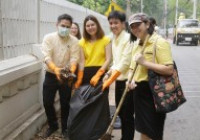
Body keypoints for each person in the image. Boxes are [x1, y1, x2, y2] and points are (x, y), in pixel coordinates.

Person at [128, 13, 174, 140]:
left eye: (138, 25)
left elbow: (169, 70)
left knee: (153, 132)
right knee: (144, 130)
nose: (135, 29)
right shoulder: (137, 44)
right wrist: (129, 80)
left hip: (154, 93)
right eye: (132, 27)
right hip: (139, 93)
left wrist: (145, 63)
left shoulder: (160, 42)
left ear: (147, 24)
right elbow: (132, 68)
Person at [41, 14, 80, 138]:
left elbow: (74, 58)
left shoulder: (74, 41)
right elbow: (46, 56)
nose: (65, 28)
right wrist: (55, 69)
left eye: (68, 27)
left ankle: (65, 128)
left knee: (65, 103)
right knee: (47, 102)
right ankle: (53, 125)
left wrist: (71, 70)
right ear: (57, 25)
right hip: (51, 74)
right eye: (63, 26)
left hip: (66, 75)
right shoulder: (48, 38)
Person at [102, 11, 135, 140]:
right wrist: (109, 72)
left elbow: (125, 63)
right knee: (120, 112)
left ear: (123, 24)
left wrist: (110, 78)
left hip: (129, 81)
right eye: (110, 23)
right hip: (119, 81)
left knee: (127, 115)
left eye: (116, 23)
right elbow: (115, 62)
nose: (113, 25)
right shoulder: (113, 38)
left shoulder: (128, 39)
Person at [75, 15, 112, 89]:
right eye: (88, 26)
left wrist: (98, 74)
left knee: (101, 99)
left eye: (92, 25)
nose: (90, 28)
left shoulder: (106, 40)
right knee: (86, 98)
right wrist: (79, 78)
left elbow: (108, 59)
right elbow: (82, 61)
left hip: (102, 72)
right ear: (85, 28)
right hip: (86, 73)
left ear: (97, 25)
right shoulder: (81, 42)